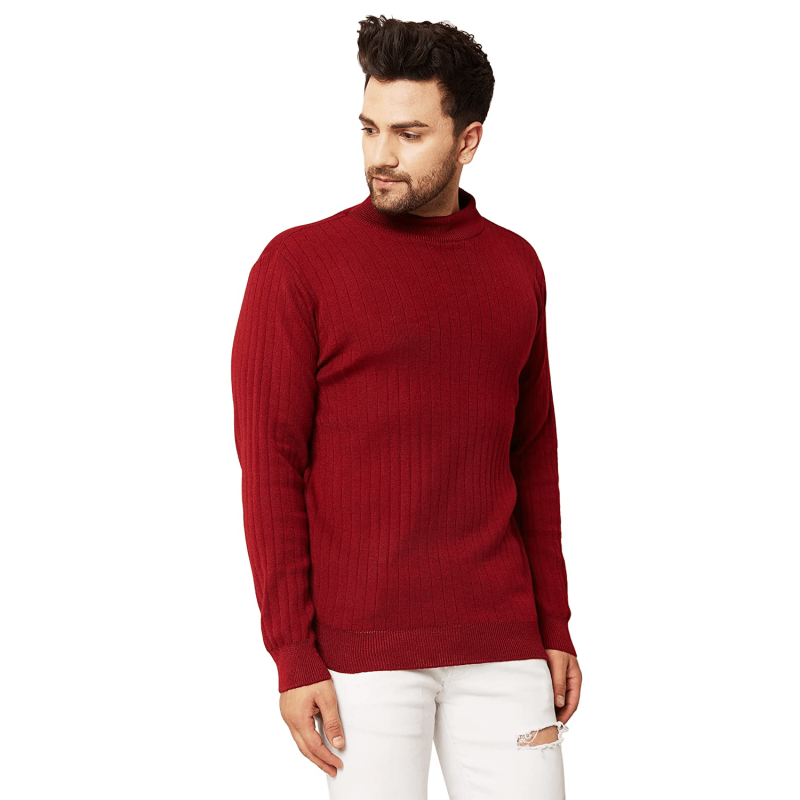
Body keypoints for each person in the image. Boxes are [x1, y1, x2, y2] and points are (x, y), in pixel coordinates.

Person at [231, 14, 582, 799]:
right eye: (369, 129)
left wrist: (554, 624)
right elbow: (271, 471)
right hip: (361, 656)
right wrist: (292, 653)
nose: (380, 155)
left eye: (410, 133)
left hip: (504, 642)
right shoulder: (298, 267)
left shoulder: (516, 265)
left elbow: (533, 454)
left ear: (468, 140)